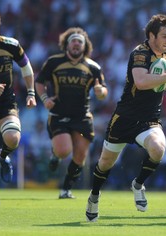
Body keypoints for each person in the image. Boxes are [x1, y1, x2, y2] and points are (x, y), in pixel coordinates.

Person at [85, 14, 166, 222]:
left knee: (158, 149)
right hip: (124, 118)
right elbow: (141, 82)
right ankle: (94, 196)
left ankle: (138, 184)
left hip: (149, 118)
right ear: (151, 36)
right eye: (164, 36)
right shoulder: (139, 53)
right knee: (105, 163)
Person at [35, 27, 108, 199]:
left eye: (79, 41)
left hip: (82, 116)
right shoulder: (54, 62)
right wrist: (45, 99)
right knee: (63, 151)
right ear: (66, 44)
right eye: (73, 41)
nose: (76, 44)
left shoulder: (93, 67)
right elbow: (39, 83)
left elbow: (103, 91)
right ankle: (55, 154)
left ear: (85, 46)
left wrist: (100, 92)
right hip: (59, 115)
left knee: (80, 155)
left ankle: (66, 188)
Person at [0, 9, 36, 205]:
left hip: (6, 103)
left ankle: (4, 156)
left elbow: (26, 67)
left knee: (13, 138)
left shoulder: (11, 45)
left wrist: (31, 93)